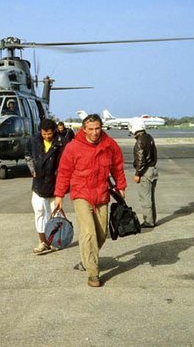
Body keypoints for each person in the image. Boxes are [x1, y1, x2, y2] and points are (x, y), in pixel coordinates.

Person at [54, 114, 127, 287]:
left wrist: (121, 186)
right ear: (84, 130)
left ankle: (86, 260)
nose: (95, 132)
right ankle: (93, 273)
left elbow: (117, 166)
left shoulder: (109, 145)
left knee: (101, 234)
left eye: (97, 128)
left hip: (101, 193)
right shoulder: (73, 147)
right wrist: (59, 195)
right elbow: (64, 172)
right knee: (88, 233)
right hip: (81, 193)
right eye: (91, 129)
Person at [27, 119, 64, 255]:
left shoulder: (61, 142)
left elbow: (65, 162)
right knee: (39, 211)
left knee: (55, 213)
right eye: (44, 134)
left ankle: (54, 241)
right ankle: (42, 241)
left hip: (55, 183)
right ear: (40, 132)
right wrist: (32, 169)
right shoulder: (33, 140)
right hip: (39, 183)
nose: (47, 136)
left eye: (49, 134)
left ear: (54, 131)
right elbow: (27, 154)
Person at [129, 117, 158, 227]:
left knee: (145, 197)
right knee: (151, 197)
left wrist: (137, 174)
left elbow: (141, 160)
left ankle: (148, 221)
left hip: (145, 171)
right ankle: (152, 219)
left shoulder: (140, 141)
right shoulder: (149, 137)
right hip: (153, 169)